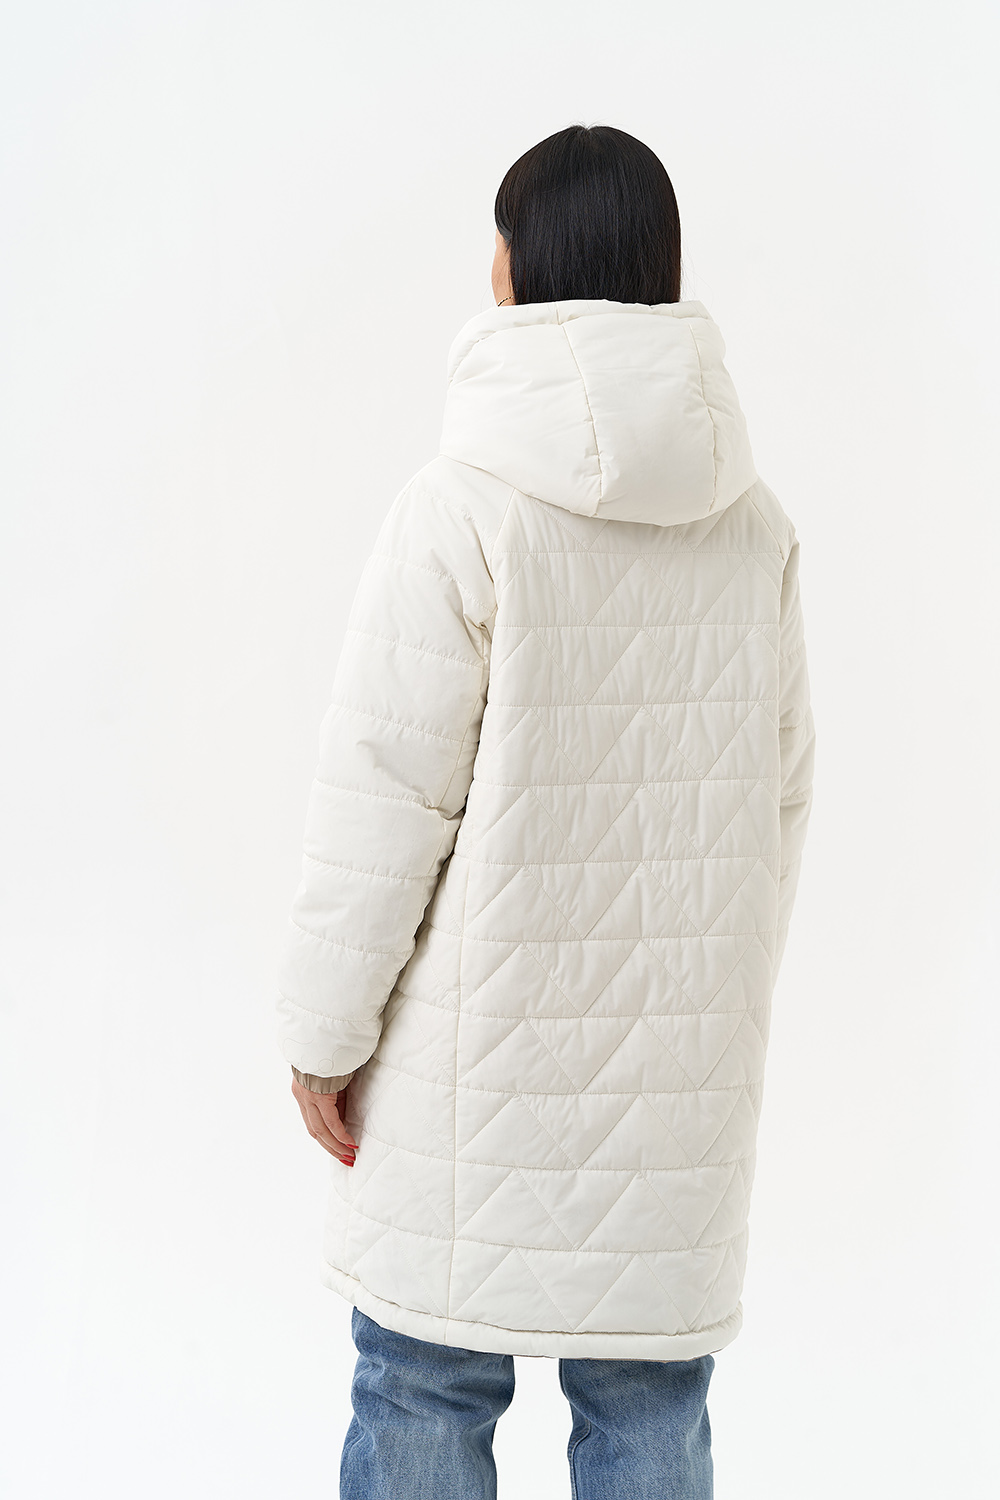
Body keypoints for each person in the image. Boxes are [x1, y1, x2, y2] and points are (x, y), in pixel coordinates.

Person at [277, 123, 816, 1500]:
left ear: (519, 267)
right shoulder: (751, 523)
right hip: (675, 1092)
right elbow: (780, 803)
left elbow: (384, 795)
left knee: (421, 1384)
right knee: (650, 1408)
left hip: (460, 1084)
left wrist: (325, 1038)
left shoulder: (460, 509)